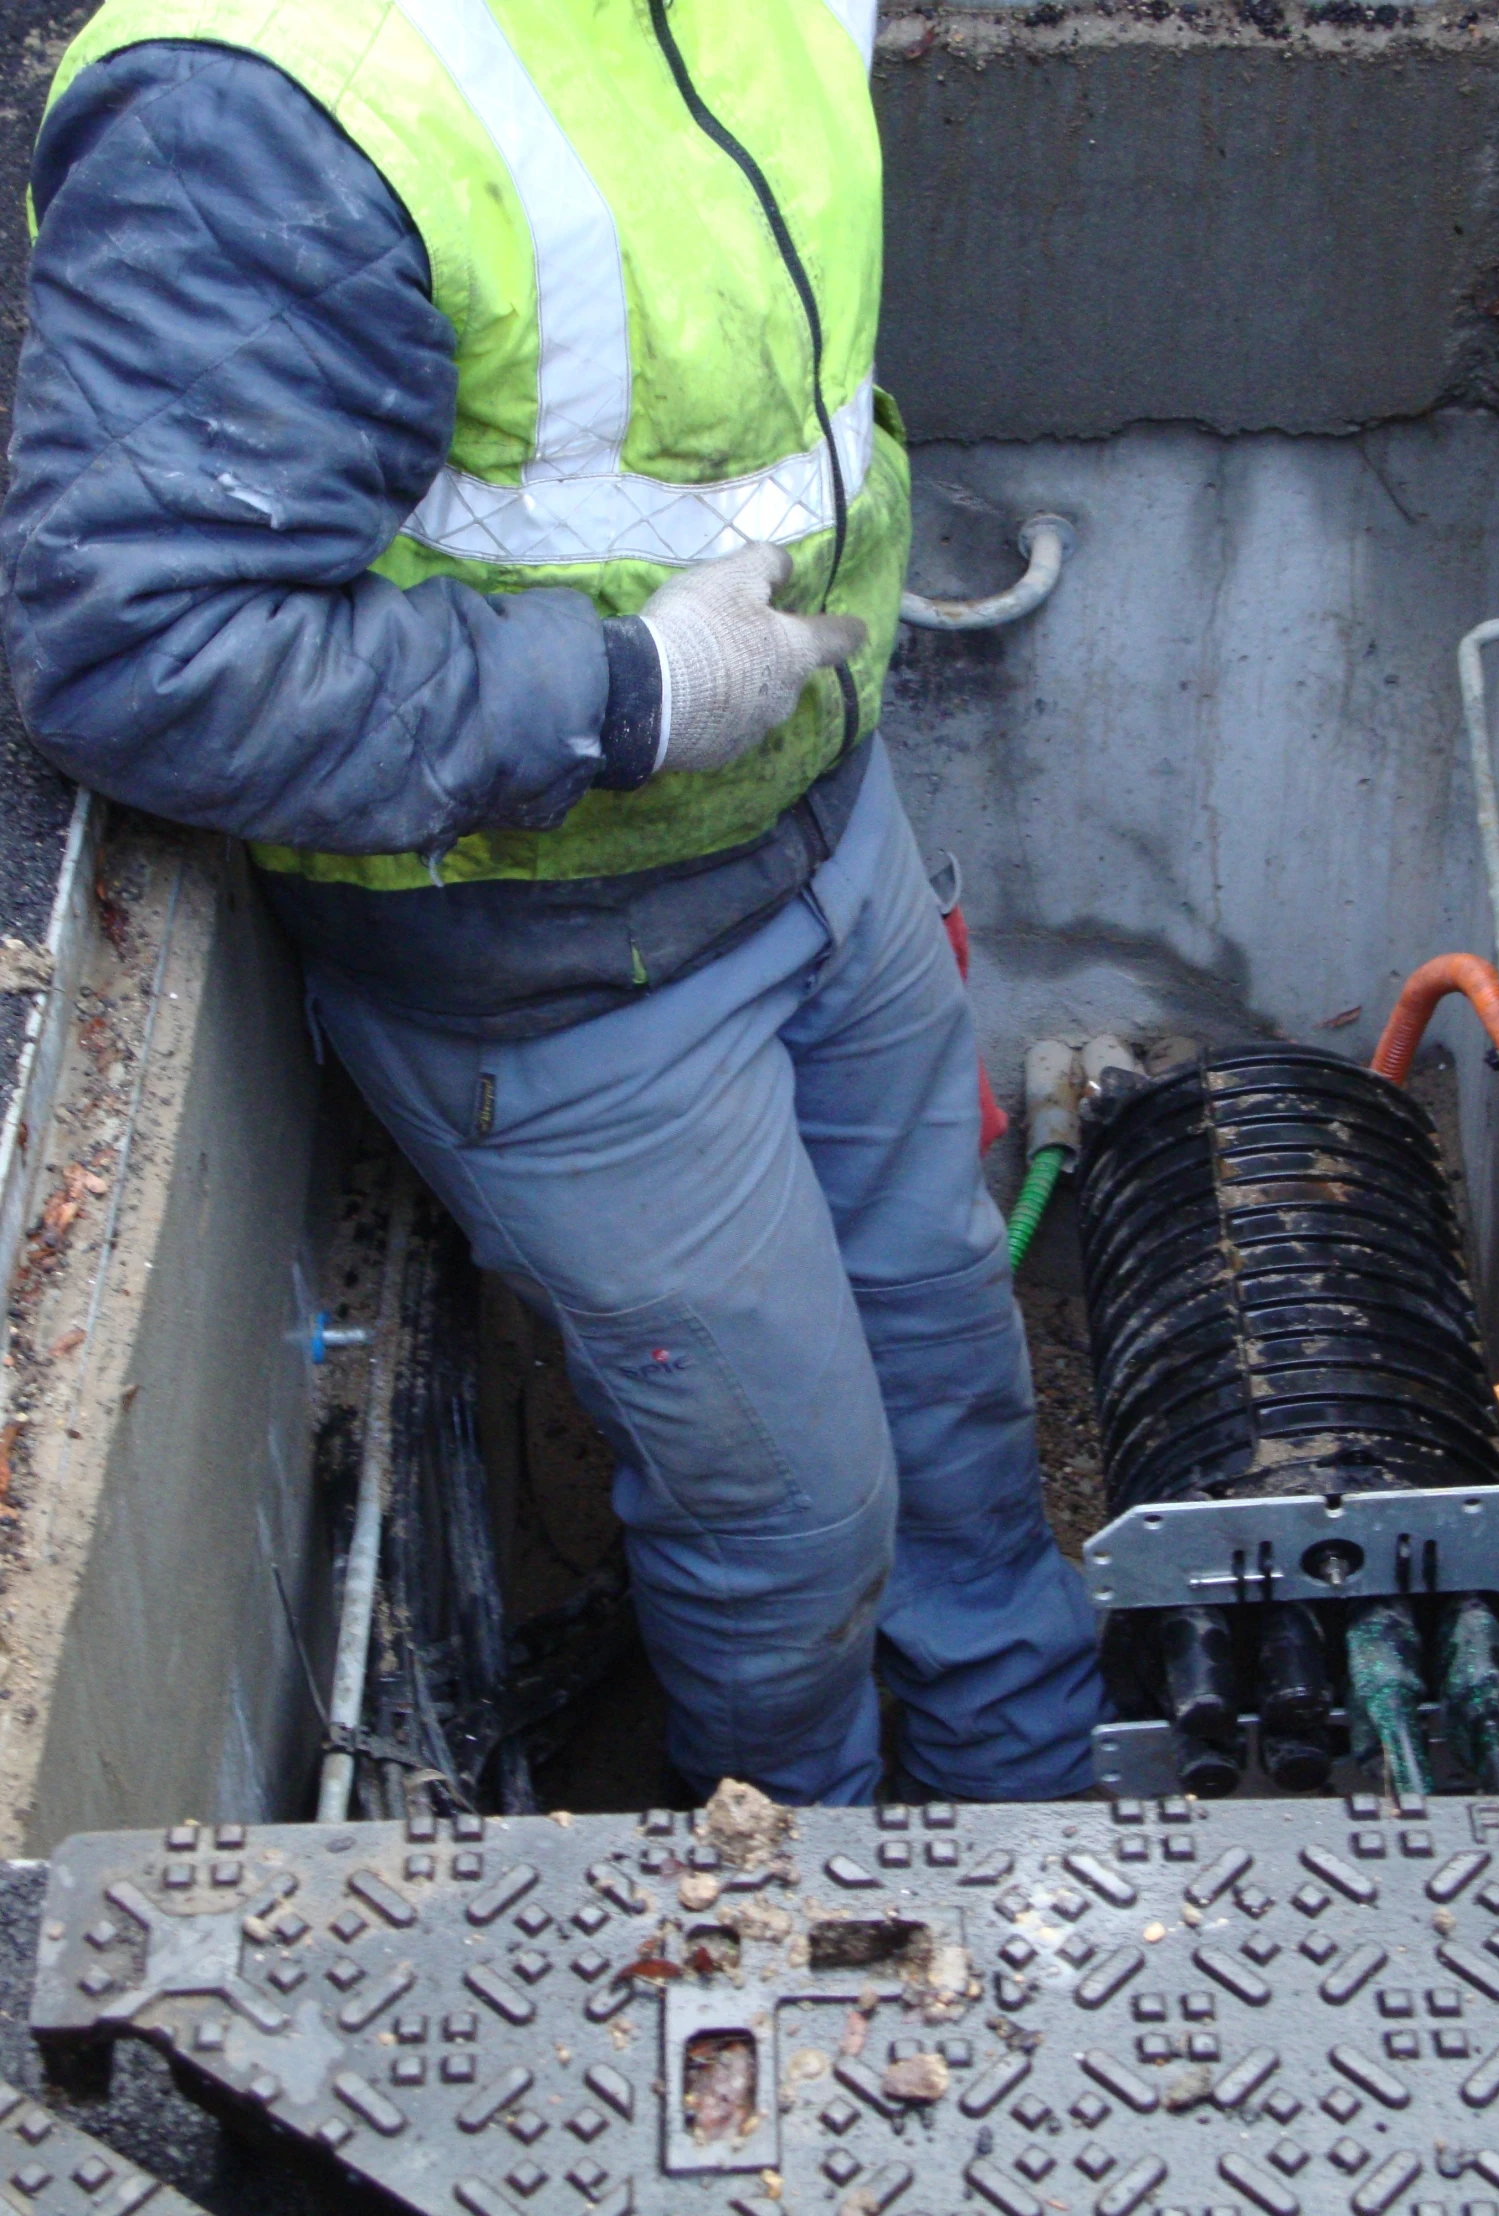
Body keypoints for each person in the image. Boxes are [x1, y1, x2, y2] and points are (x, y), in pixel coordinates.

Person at [0, 0, 1104, 1803]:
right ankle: (797, 1917)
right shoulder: (263, 103)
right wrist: (628, 696)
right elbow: (147, 652)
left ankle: (1037, 1821)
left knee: (950, 1372)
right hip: (558, 976)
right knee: (792, 1519)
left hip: (828, 832)